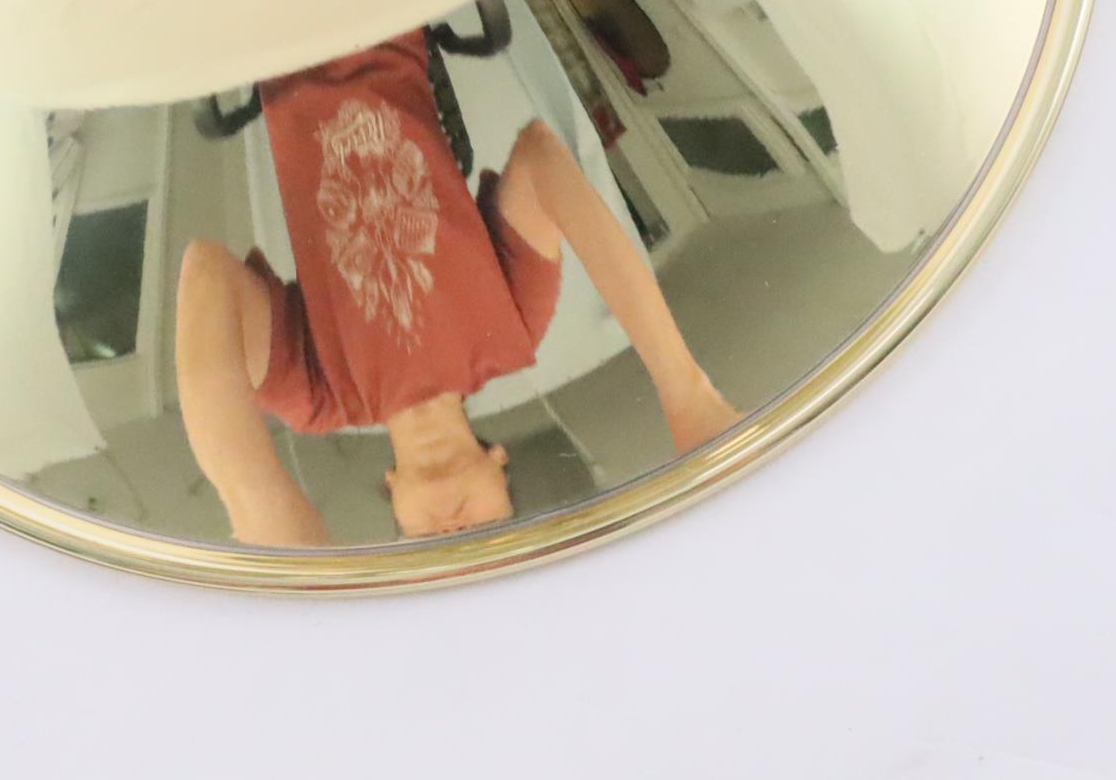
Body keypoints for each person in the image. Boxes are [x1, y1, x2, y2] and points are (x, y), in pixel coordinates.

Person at [177, 29, 739, 545]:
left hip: (275, 36)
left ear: (392, 491)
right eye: (487, 534)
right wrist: (685, 391)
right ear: (500, 463)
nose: (454, 532)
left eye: (431, 544)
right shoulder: (515, 330)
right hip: (379, 10)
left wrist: (259, 504)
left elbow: (205, 274)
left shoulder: (317, 398)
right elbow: (541, 154)